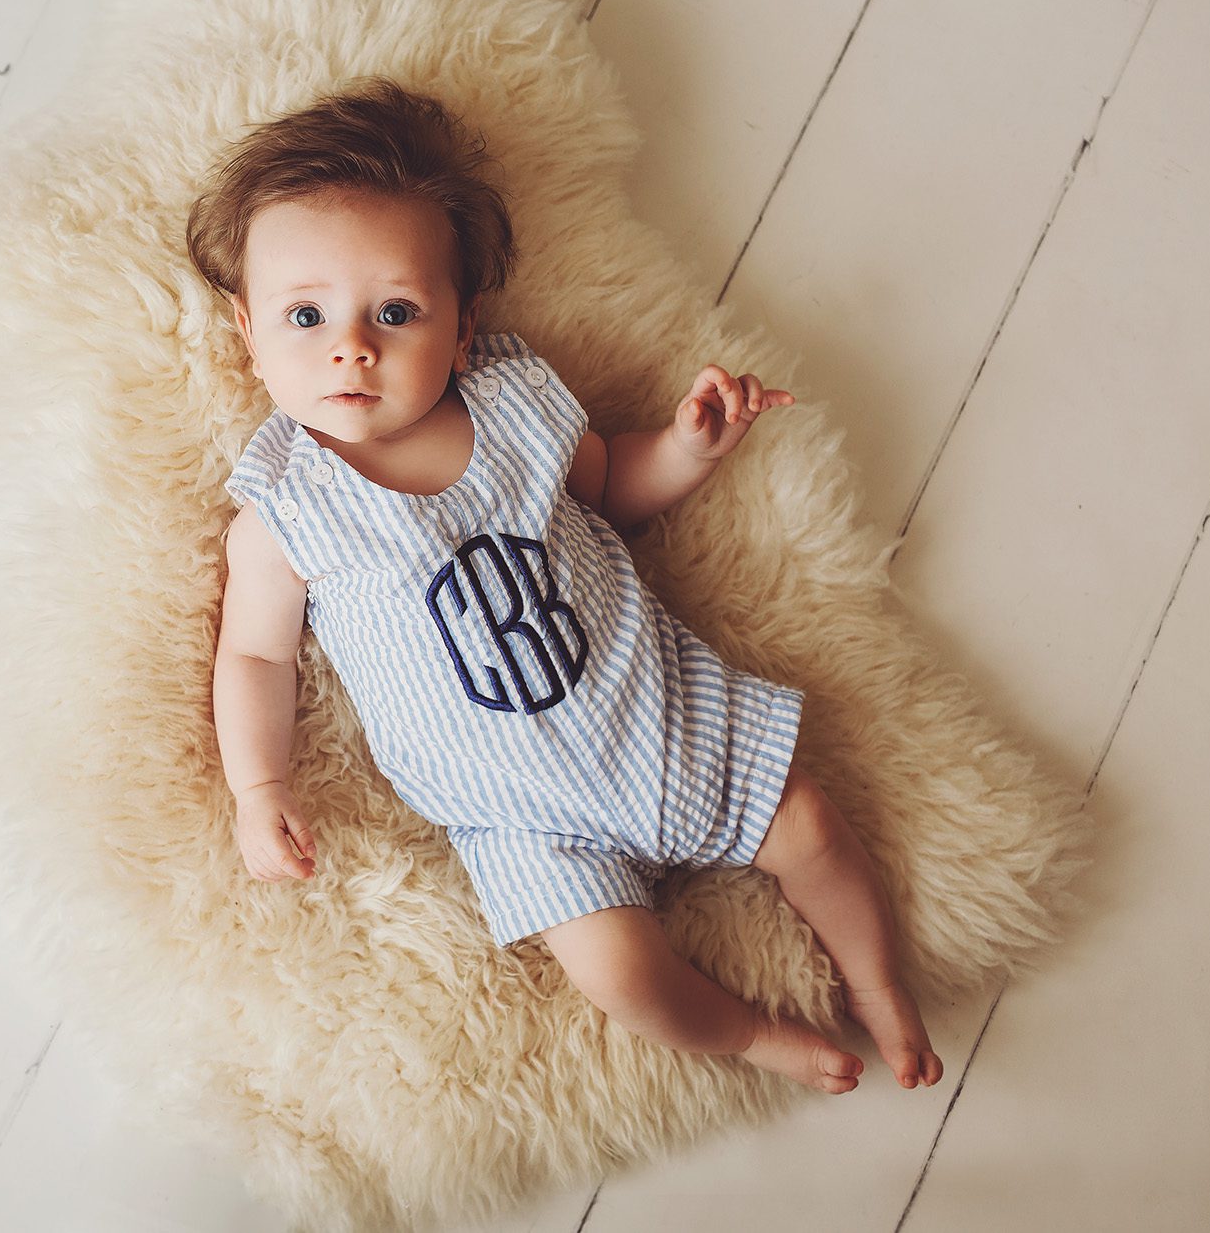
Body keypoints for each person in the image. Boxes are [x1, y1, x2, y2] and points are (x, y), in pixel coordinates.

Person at [189, 77, 941, 1095]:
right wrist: (257, 788)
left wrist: (688, 450)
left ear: (460, 329)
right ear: (248, 331)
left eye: (395, 312)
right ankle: (752, 1037)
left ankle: (876, 982)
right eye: (306, 314)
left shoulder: (509, 406)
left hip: (656, 714)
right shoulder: (285, 511)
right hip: (526, 819)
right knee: (620, 975)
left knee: (808, 827)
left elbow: (610, 489)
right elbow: (254, 655)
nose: (350, 345)